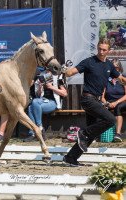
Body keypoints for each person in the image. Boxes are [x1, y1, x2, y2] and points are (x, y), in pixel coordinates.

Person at [62, 38, 126, 167]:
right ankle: (83, 133)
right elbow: (70, 73)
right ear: (97, 47)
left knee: (92, 133)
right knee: (110, 120)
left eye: (104, 50)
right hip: (88, 99)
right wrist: (65, 70)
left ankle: (71, 157)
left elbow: (120, 78)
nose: (101, 52)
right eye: (99, 49)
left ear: (109, 50)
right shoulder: (89, 62)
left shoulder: (108, 65)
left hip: (96, 100)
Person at [23, 70, 68, 142]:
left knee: (34, 103)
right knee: (30, 106)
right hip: (43, 101)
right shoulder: (42, 75)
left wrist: (51, 87)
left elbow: (65, 93)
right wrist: (40, 88)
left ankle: (38, 129)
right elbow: (38, 95)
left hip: (54, 102)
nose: (47, 69)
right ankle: (33, 133)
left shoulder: (58, 77)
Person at [101, 58, 125, 142]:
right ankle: (99, 133)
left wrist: (116, 102)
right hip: (109, 102)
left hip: (122, 101)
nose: (115, 69)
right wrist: (106, 103)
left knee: (118, 107)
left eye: (117, 67)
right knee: (98, 108)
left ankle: (118, 134)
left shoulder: (123, 78)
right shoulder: (106, 79)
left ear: (120, 68)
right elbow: (102, 97)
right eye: (113, 67)